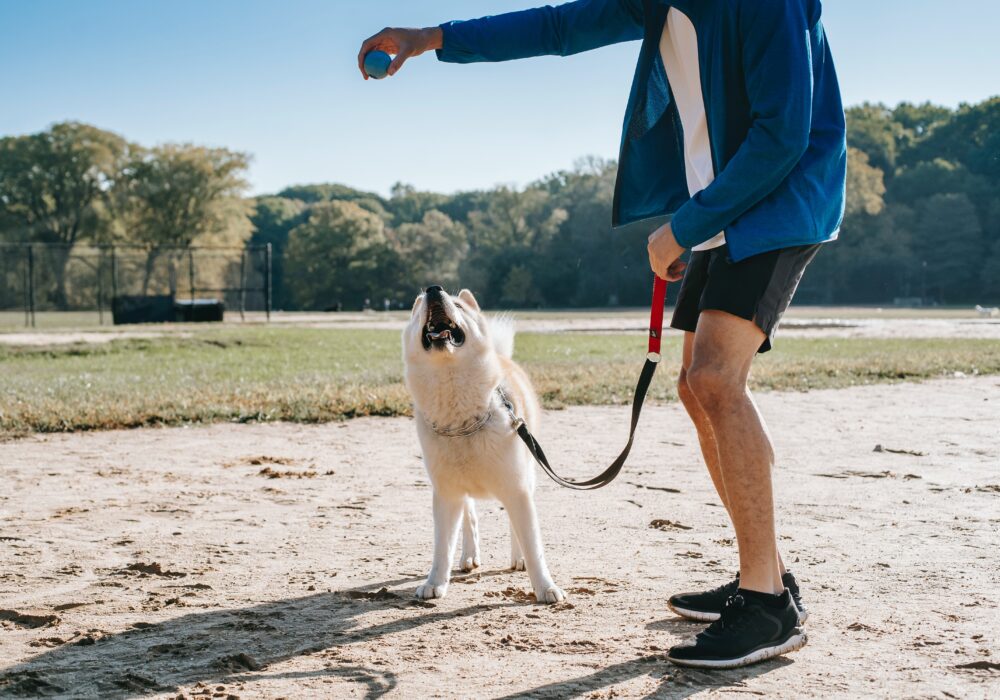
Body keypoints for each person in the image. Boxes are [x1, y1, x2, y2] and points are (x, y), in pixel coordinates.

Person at [358, 0, 846, 669]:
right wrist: (431, 38)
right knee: (694, 387)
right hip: (727, 207)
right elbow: (558, 28)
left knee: (715, 379)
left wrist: (688, 221)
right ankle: (766, 575)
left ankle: (766, 607)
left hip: (781, 200)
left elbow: (784, 134)